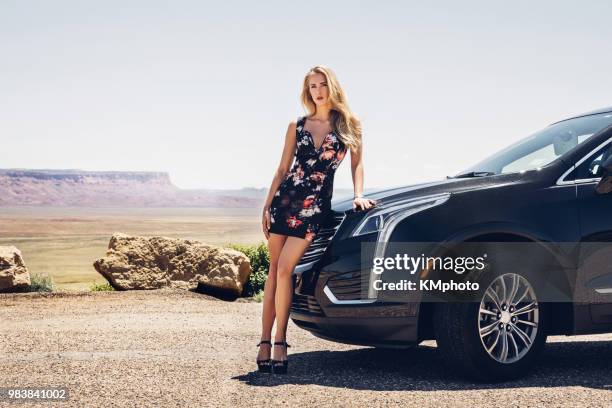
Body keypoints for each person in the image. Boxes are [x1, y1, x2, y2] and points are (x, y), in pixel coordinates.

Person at [256, 65, 377, 374]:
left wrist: (358, 195)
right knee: (274, 271)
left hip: (313, 209)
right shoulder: (297, 125)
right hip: (285, 203)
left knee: (285, 269)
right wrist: (267, 204)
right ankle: (263, 342)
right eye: (312, 86)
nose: (318, 91)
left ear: (332, 86)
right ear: (307, 91)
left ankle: (280, 341)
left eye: (322, 84)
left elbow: (357, 165)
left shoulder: (350, 125)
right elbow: (282, 169)